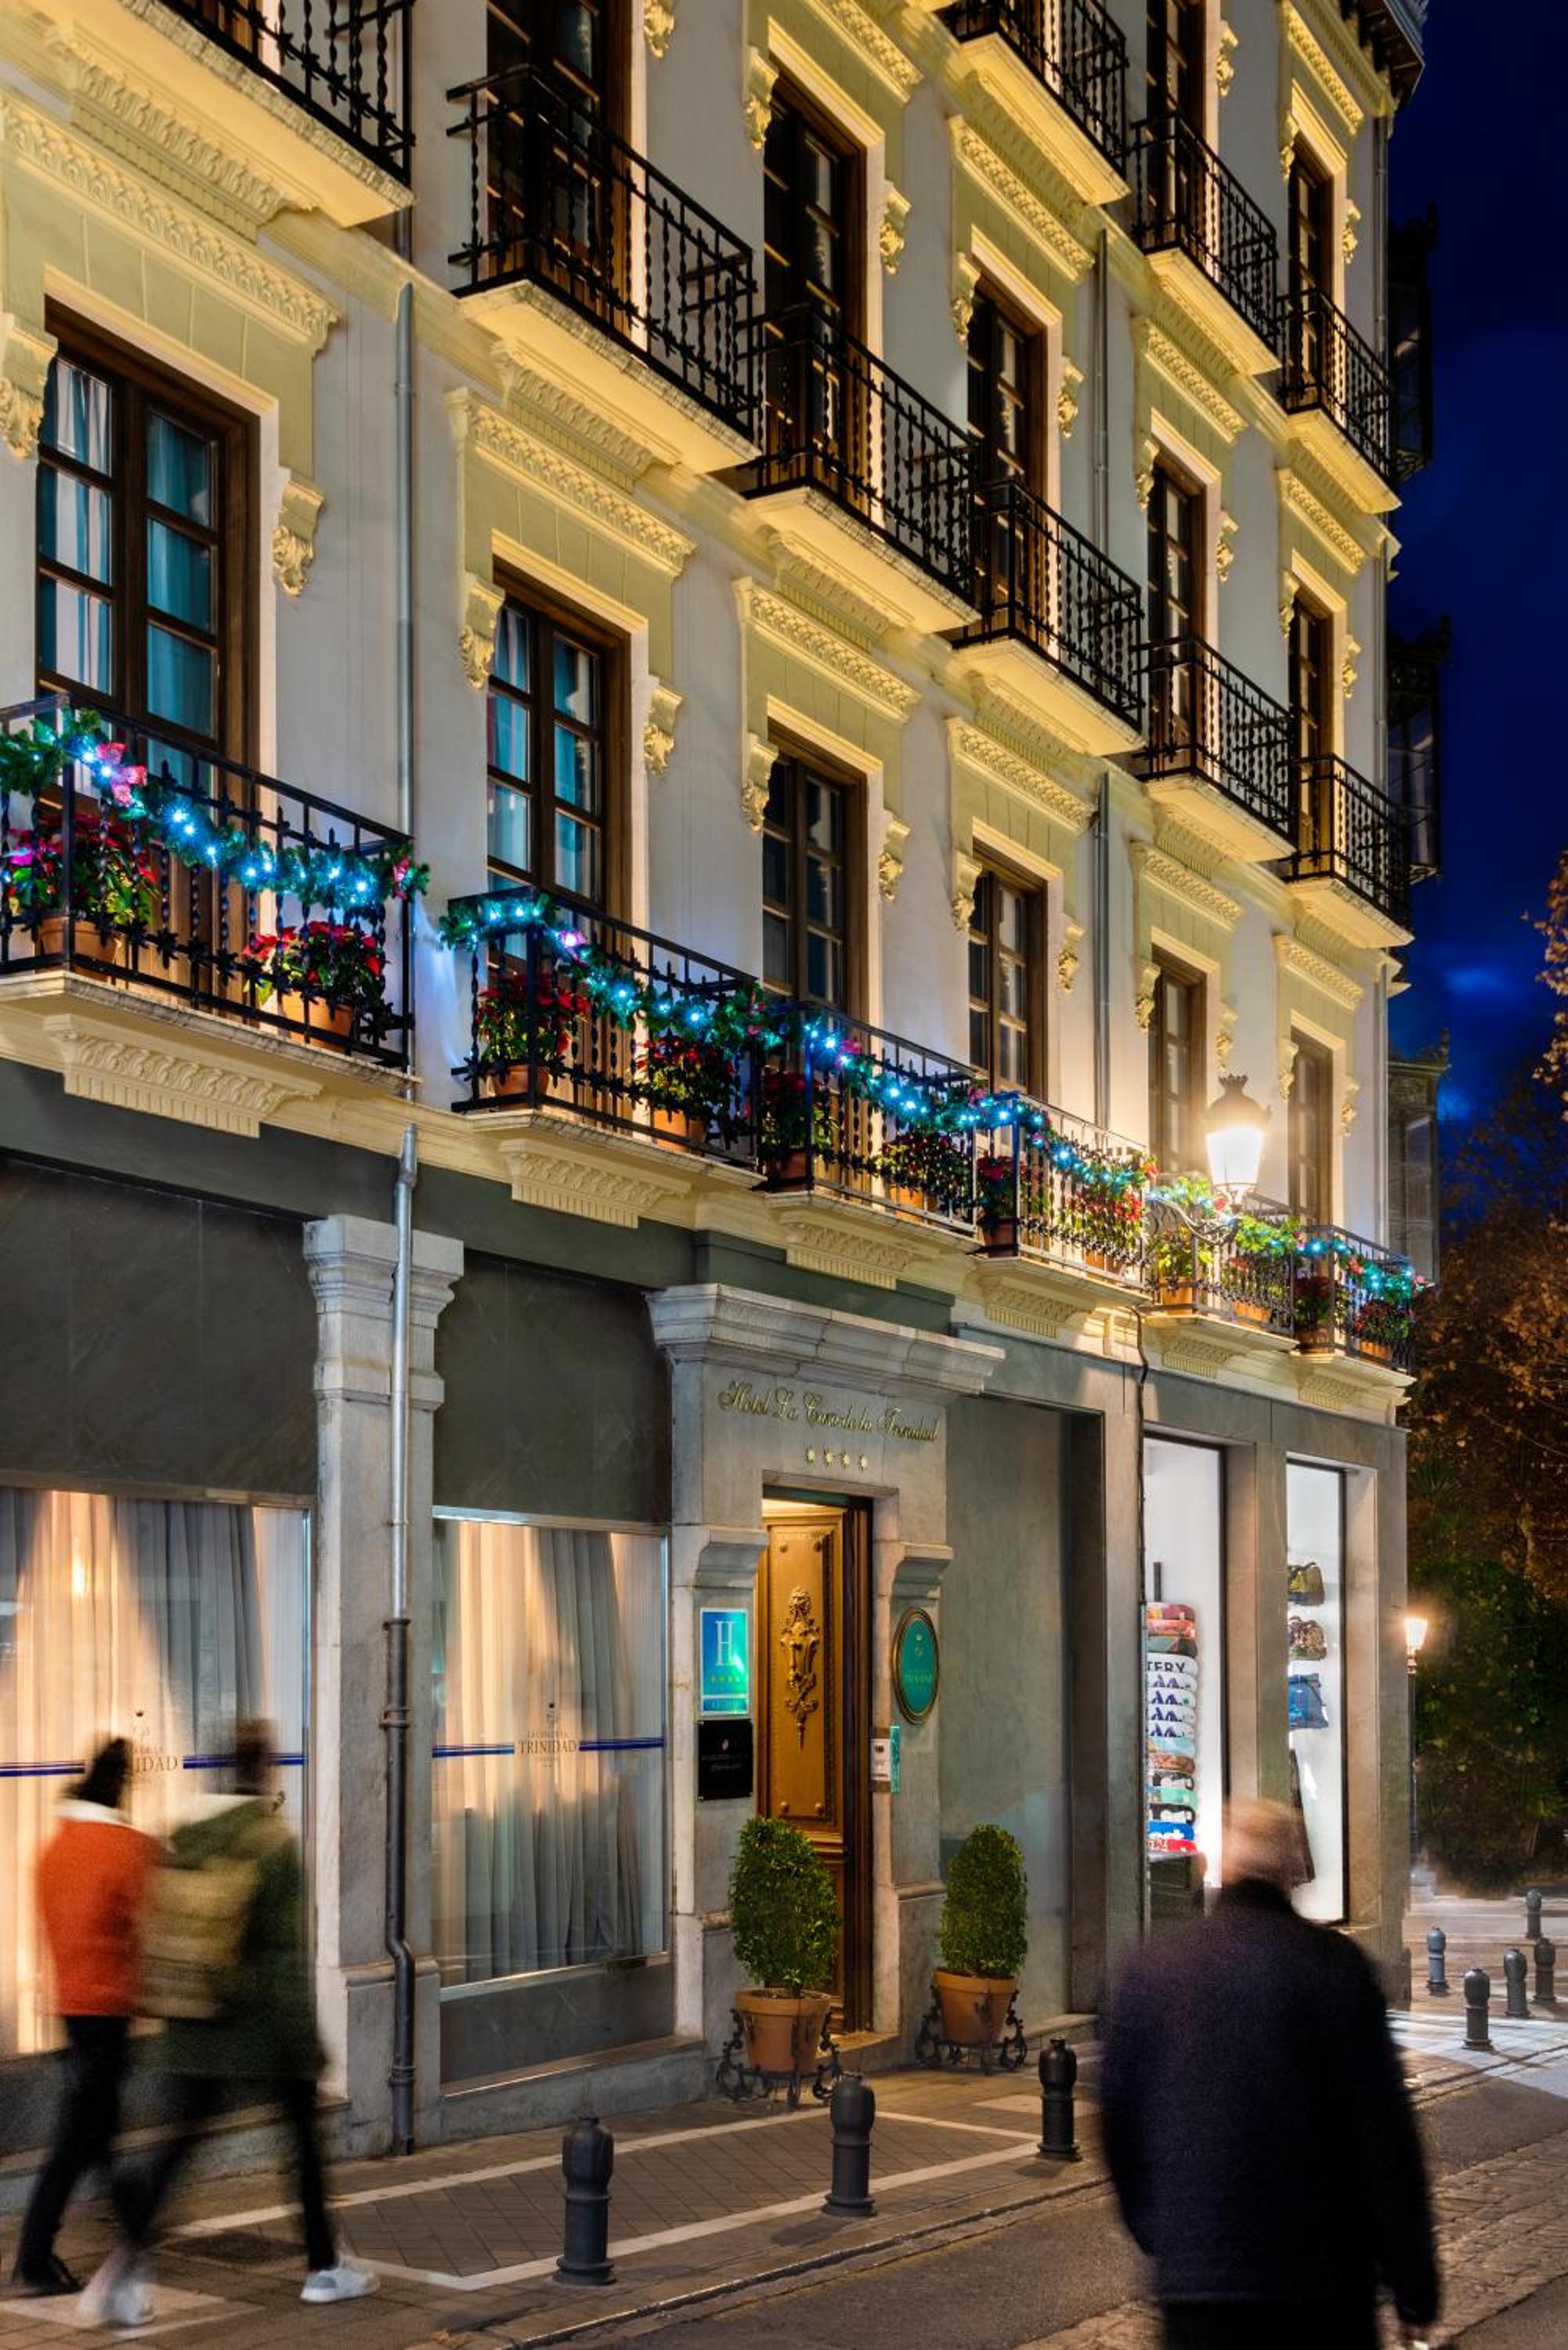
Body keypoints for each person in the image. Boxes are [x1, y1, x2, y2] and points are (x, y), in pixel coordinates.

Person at [1100, 1797, 1439, 2350]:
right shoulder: (1333, 1967)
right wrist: (1414, 2284)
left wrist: (1164, 2232)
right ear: (1291, 1872)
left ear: (1223, 1867)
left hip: (1200, 2290)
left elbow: (1118, 2120)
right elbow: (1384, 2137)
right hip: (1321, 2286)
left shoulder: (1152, 1969)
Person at [82, 1722, 375, 2324]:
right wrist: (309, 2048)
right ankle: (323, 2268)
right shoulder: (270, 1843)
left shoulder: (185, 1835)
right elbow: (285, 1964)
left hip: (192, 2024)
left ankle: (122, 2268)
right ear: (265, 1771)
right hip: (260, 2031)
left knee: (174, 2152)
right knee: (302, 2146)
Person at [12, 1738, 152, 2297]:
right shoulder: (125, 1849)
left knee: (98, 2130)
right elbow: (147, 1925)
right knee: (81, 2136)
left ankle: (134, 2233)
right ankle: (35, 2254)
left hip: (71, 2007)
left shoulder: (55, 1850)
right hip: (109, 2008)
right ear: (123, 1787)